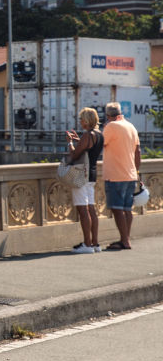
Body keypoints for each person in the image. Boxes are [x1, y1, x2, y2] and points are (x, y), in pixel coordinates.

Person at [101, 102, 141, 250]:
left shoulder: (111, 126)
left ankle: (125, 241)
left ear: (107, 115)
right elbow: (138, 152)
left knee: (117, 209)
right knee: (127, 209)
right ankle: (125, 239)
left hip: (115, 174)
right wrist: (136, 172)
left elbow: (100, 144)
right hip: (130, 174)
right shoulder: (131, 126)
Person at [65, 107, 103, 253]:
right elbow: (89, 150)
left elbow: (75, 155)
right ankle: (95, 243)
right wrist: (79, 140)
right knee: (91, 208)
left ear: (87, 120)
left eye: (81, 119)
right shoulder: (99, 134)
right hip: (92, 174)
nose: (80, 121)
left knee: (83, 209)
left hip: (82, 175)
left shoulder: (88, 135)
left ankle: (87, 244)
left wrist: (70, 143)